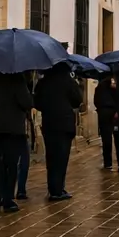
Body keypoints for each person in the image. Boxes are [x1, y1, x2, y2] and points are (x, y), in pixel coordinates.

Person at [0, 72, 33, 212]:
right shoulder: (16, 79)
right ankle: (7, 199)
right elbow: (26, 102)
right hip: (12, 130)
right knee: (10, 165)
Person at [33, 64, 83, 200]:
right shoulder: (68, 81)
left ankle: (53, 188)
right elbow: (78, 100)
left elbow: (36, 103)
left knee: (51, 157)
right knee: (61, 157)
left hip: (49, 122)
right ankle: (58, 189)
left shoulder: (43, 82)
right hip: (64, 124)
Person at [94, 73, 118, 169]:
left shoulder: (99, 87)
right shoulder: (115, 86)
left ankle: (108, 162)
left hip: (103, 113)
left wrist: (100, 108)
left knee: (106, 138)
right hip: (114, 113)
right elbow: (118, 99)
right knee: (117, 136)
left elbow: (96, 101)